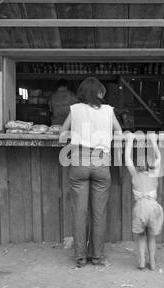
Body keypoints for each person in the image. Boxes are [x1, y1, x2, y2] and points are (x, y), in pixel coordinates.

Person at [60, 77, 122, 268]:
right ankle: (97, 257)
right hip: (101, 163)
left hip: (79, 161)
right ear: (99, 94)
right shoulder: (108, 111)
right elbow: (119, 133)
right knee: (99, 213)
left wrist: (77, 136)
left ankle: (80, 258)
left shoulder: (75, 109)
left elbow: (62, 134)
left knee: (80, 212)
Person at [125, 132, 164, 271]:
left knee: (141, 235)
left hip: (140, 207)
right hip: (153, 207)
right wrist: (153, 140)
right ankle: (152, 262)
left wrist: (130, 140)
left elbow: (127, 159)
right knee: (151, 237)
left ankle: (142, 261)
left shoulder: (134, 174)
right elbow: (160, 157)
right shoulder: (154, 173)